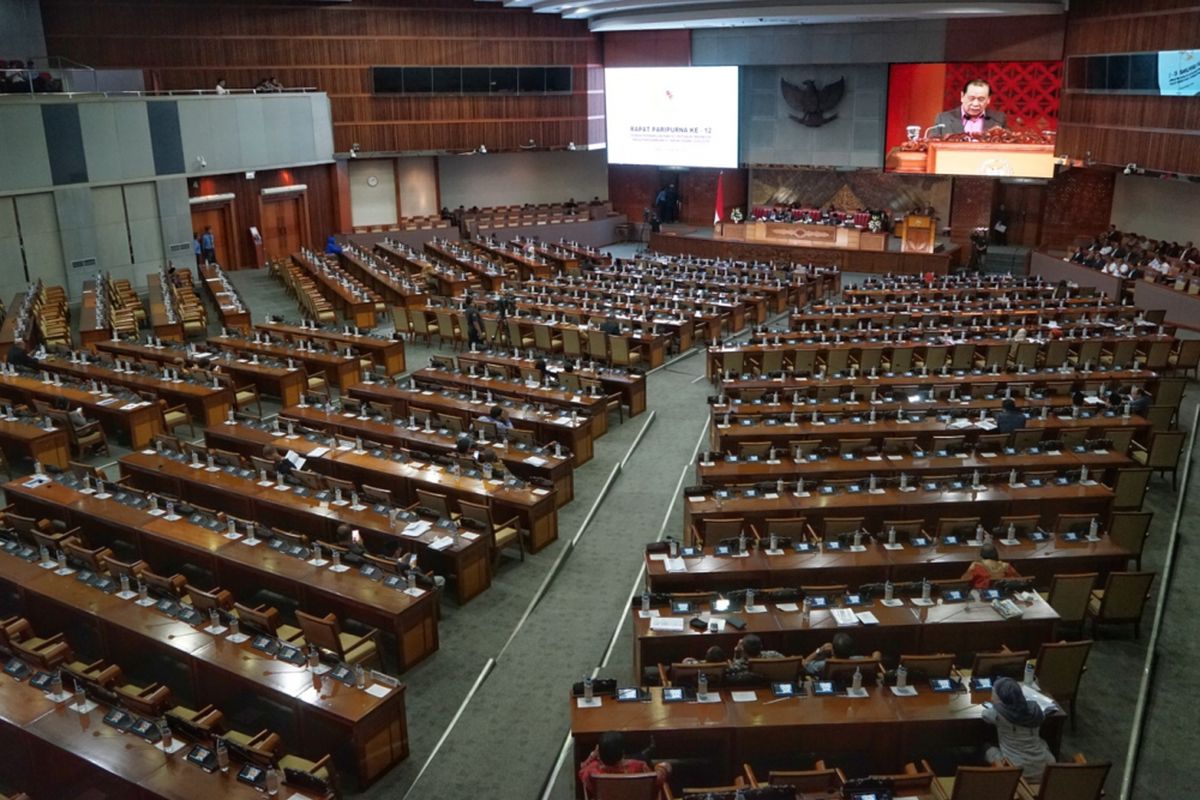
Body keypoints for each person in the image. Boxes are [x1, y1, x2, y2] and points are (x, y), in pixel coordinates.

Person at [982, 676, 1056, 780]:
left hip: (1015, 769)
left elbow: (985, 715)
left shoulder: (996, 714)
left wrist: (995, 704)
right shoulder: (1036, 710)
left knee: (987, 746)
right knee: (1043, 741)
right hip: (1044, 765)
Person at [577, 731, 670, 796]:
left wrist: (593, 755)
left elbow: (582, 768)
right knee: (643, 757)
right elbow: (656, 780)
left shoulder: (592, 771)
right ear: (623, 753)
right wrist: (662, 767)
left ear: (600, 754)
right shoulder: (639, 766)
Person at [932, 78, 1007, 136]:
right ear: (962, 96)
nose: (975, 104)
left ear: (988, 100)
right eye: (971, 98)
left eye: (981, 99)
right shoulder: (944, 119)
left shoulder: (999, 119)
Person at [802, 632, 882, 677]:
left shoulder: (824, 664)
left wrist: (820, 649)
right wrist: (876, 656)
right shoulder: (859, 660)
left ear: (832, 651)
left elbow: (805, 663)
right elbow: (876, 655)